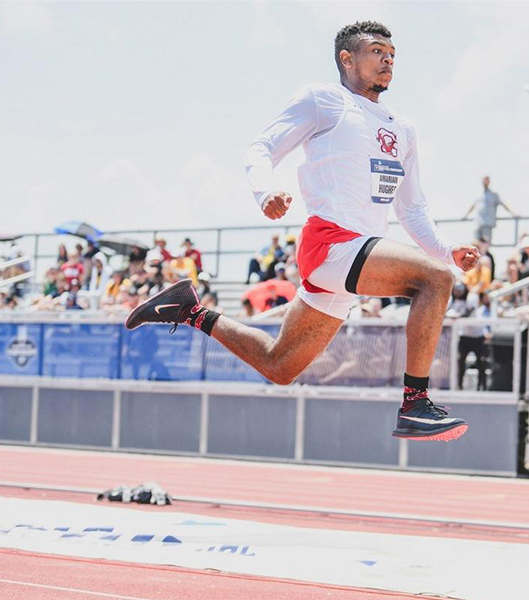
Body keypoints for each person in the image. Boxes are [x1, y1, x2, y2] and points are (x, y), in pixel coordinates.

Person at [125, 21, 479, 442]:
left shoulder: (402, 128)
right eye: (377, 51)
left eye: (392, 54)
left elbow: (412, 208)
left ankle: (190, 310)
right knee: (435, 280)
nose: (387, 59)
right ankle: (414, 403)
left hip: (357, 261)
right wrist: (266, 191)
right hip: (331, 243)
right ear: (347, 58)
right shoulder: (324, 100)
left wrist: (447, 248)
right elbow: (261, 148)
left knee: (280, 365)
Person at [463, 176, 517, 244]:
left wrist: (513, 213)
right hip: (478, 223)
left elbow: (503, 205)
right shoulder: (479, 194)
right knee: (475, 244)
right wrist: (465, 216)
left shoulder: (494, 195)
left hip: (487, 223)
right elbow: (473, 206)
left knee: (485, 243)